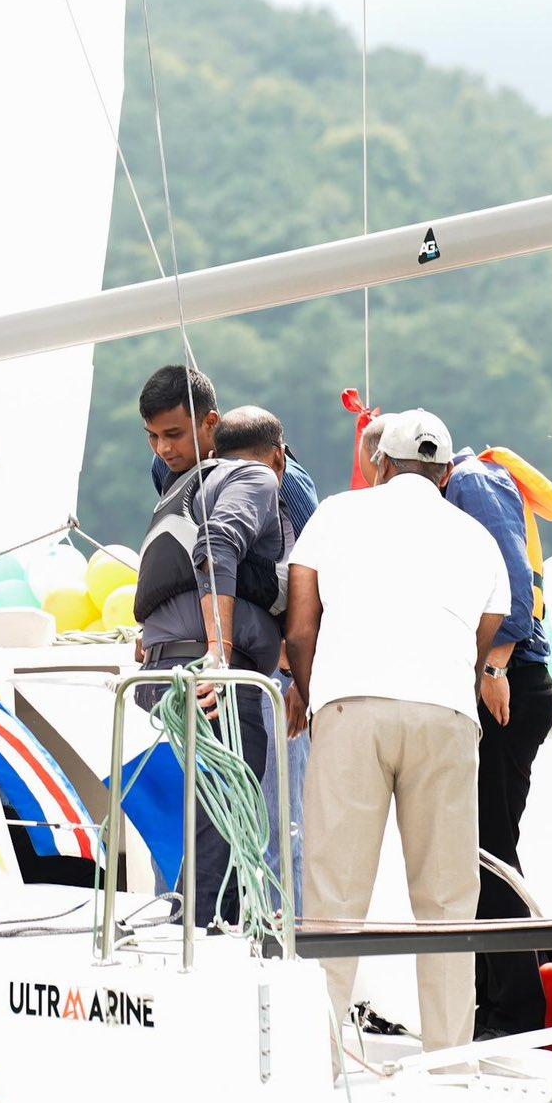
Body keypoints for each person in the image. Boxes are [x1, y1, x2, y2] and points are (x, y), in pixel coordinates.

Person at [286, 409, 509, 1056]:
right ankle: (449, 1062)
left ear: (379, 463)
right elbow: (488, 630)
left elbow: (302, 630)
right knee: (446, 901)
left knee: (335, 896)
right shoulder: (476, 535)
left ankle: (321, 1058)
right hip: (445, 714)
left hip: (351, 707)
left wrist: (312, 689)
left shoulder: (335, 514)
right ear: (444, 474)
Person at [366, 416, 552, 1040]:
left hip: (505, 681)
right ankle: (494, 1001)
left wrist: (494, 665)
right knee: (472, 848)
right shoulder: (451, 492)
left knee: (486, 850)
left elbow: (514, 584)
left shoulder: (473, 485)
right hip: (481, 682)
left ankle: (514, 1011)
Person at [139, 364, 318, 905]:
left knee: (256, 828)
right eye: (153, 437)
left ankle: (236, 932)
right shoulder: (171, 477)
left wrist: (295, 678)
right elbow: (200, 547)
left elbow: (310, 573)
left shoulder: (279, 480)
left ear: (210, 426)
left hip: (249, 671)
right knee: (215, 832)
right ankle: (203, 940)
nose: (164, 450)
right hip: (207, 675)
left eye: (174, 435)